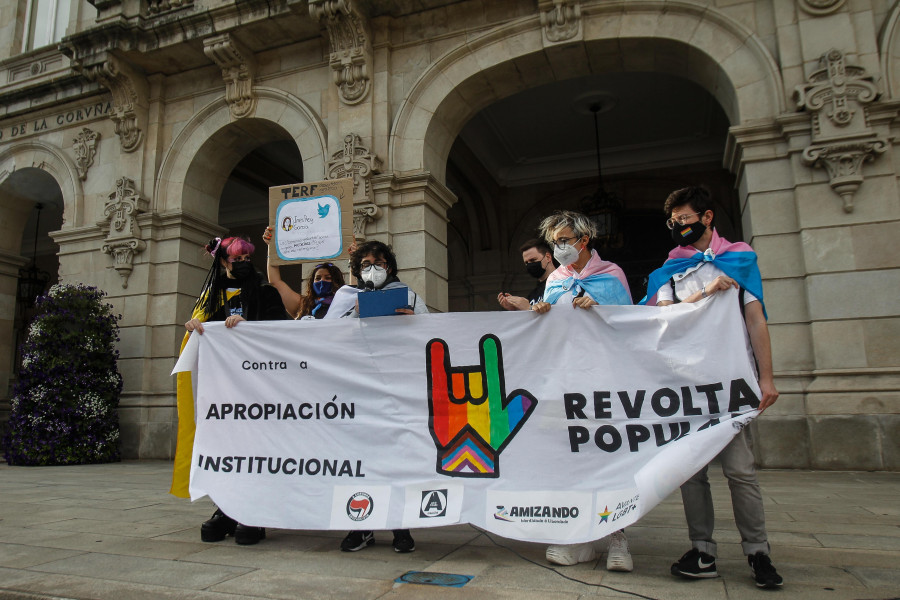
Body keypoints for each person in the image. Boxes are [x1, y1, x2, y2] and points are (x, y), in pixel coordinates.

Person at [640, 185, 782, 589]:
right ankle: (702, 549)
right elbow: (662, 317)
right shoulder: (669, 269)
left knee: (740, 471)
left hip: (731, 382)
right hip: (685, 386)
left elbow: (756, 320)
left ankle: (758, 552)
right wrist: (704, 293)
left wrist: (766, 379)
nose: (678, 227)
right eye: (673, 222)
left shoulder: (738, 259)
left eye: (684, 219)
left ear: (706, 218)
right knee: (691, 473)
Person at [531, 211, 634, 572]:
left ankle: (617, 537)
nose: (558, 248)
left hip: (605, 380)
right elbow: (548, 335)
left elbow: (632, 325)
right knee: (572, 457)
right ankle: (579, 536)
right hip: (566, 381)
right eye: (554, 242)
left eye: (563, 240)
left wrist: (603, 308)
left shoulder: (612, 275)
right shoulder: (555, 280)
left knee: (608, 457)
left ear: (583, 240)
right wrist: (540, 312)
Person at [183, 236, 289, 545]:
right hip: (224, 390)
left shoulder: (265, 292)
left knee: (256, 450)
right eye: (236, 259)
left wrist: (250, 326)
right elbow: (202, 338)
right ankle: (224, 508)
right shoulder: (210, 298)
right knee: (226, 449)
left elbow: (281, 329)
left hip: (259, 387)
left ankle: (252, 512)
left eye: (246, 258)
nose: (242, 263)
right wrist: (194, 327)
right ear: (223, 262)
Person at [327, 240, 427, 553]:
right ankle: (361, 527)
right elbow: (325, 338)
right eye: (366, 263)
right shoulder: (345, 298)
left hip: (396, 389)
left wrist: (414, 321)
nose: (373, 268)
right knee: (359, 460)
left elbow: (434, 333)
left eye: (379, 263)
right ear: (356, 270)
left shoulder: (408, 294)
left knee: (397, 458)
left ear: (390, 267)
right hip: (356, 390)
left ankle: (400, 526)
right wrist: (354, 316)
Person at [262, 226, 345, 319]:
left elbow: (356, 289)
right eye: (317, 278)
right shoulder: (303, 305)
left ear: (337, 281)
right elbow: (275, 282)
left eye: (328, 278)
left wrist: (354, 256)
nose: (322, 281)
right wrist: (271, 246)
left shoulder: (344, 304)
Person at [497, 239, 555, 310]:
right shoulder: (533, 295)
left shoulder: (563, 282)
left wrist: (528, 308)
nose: (530, 265)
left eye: (533, 260)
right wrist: (516, 308)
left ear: (548, 257)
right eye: (526, 263)